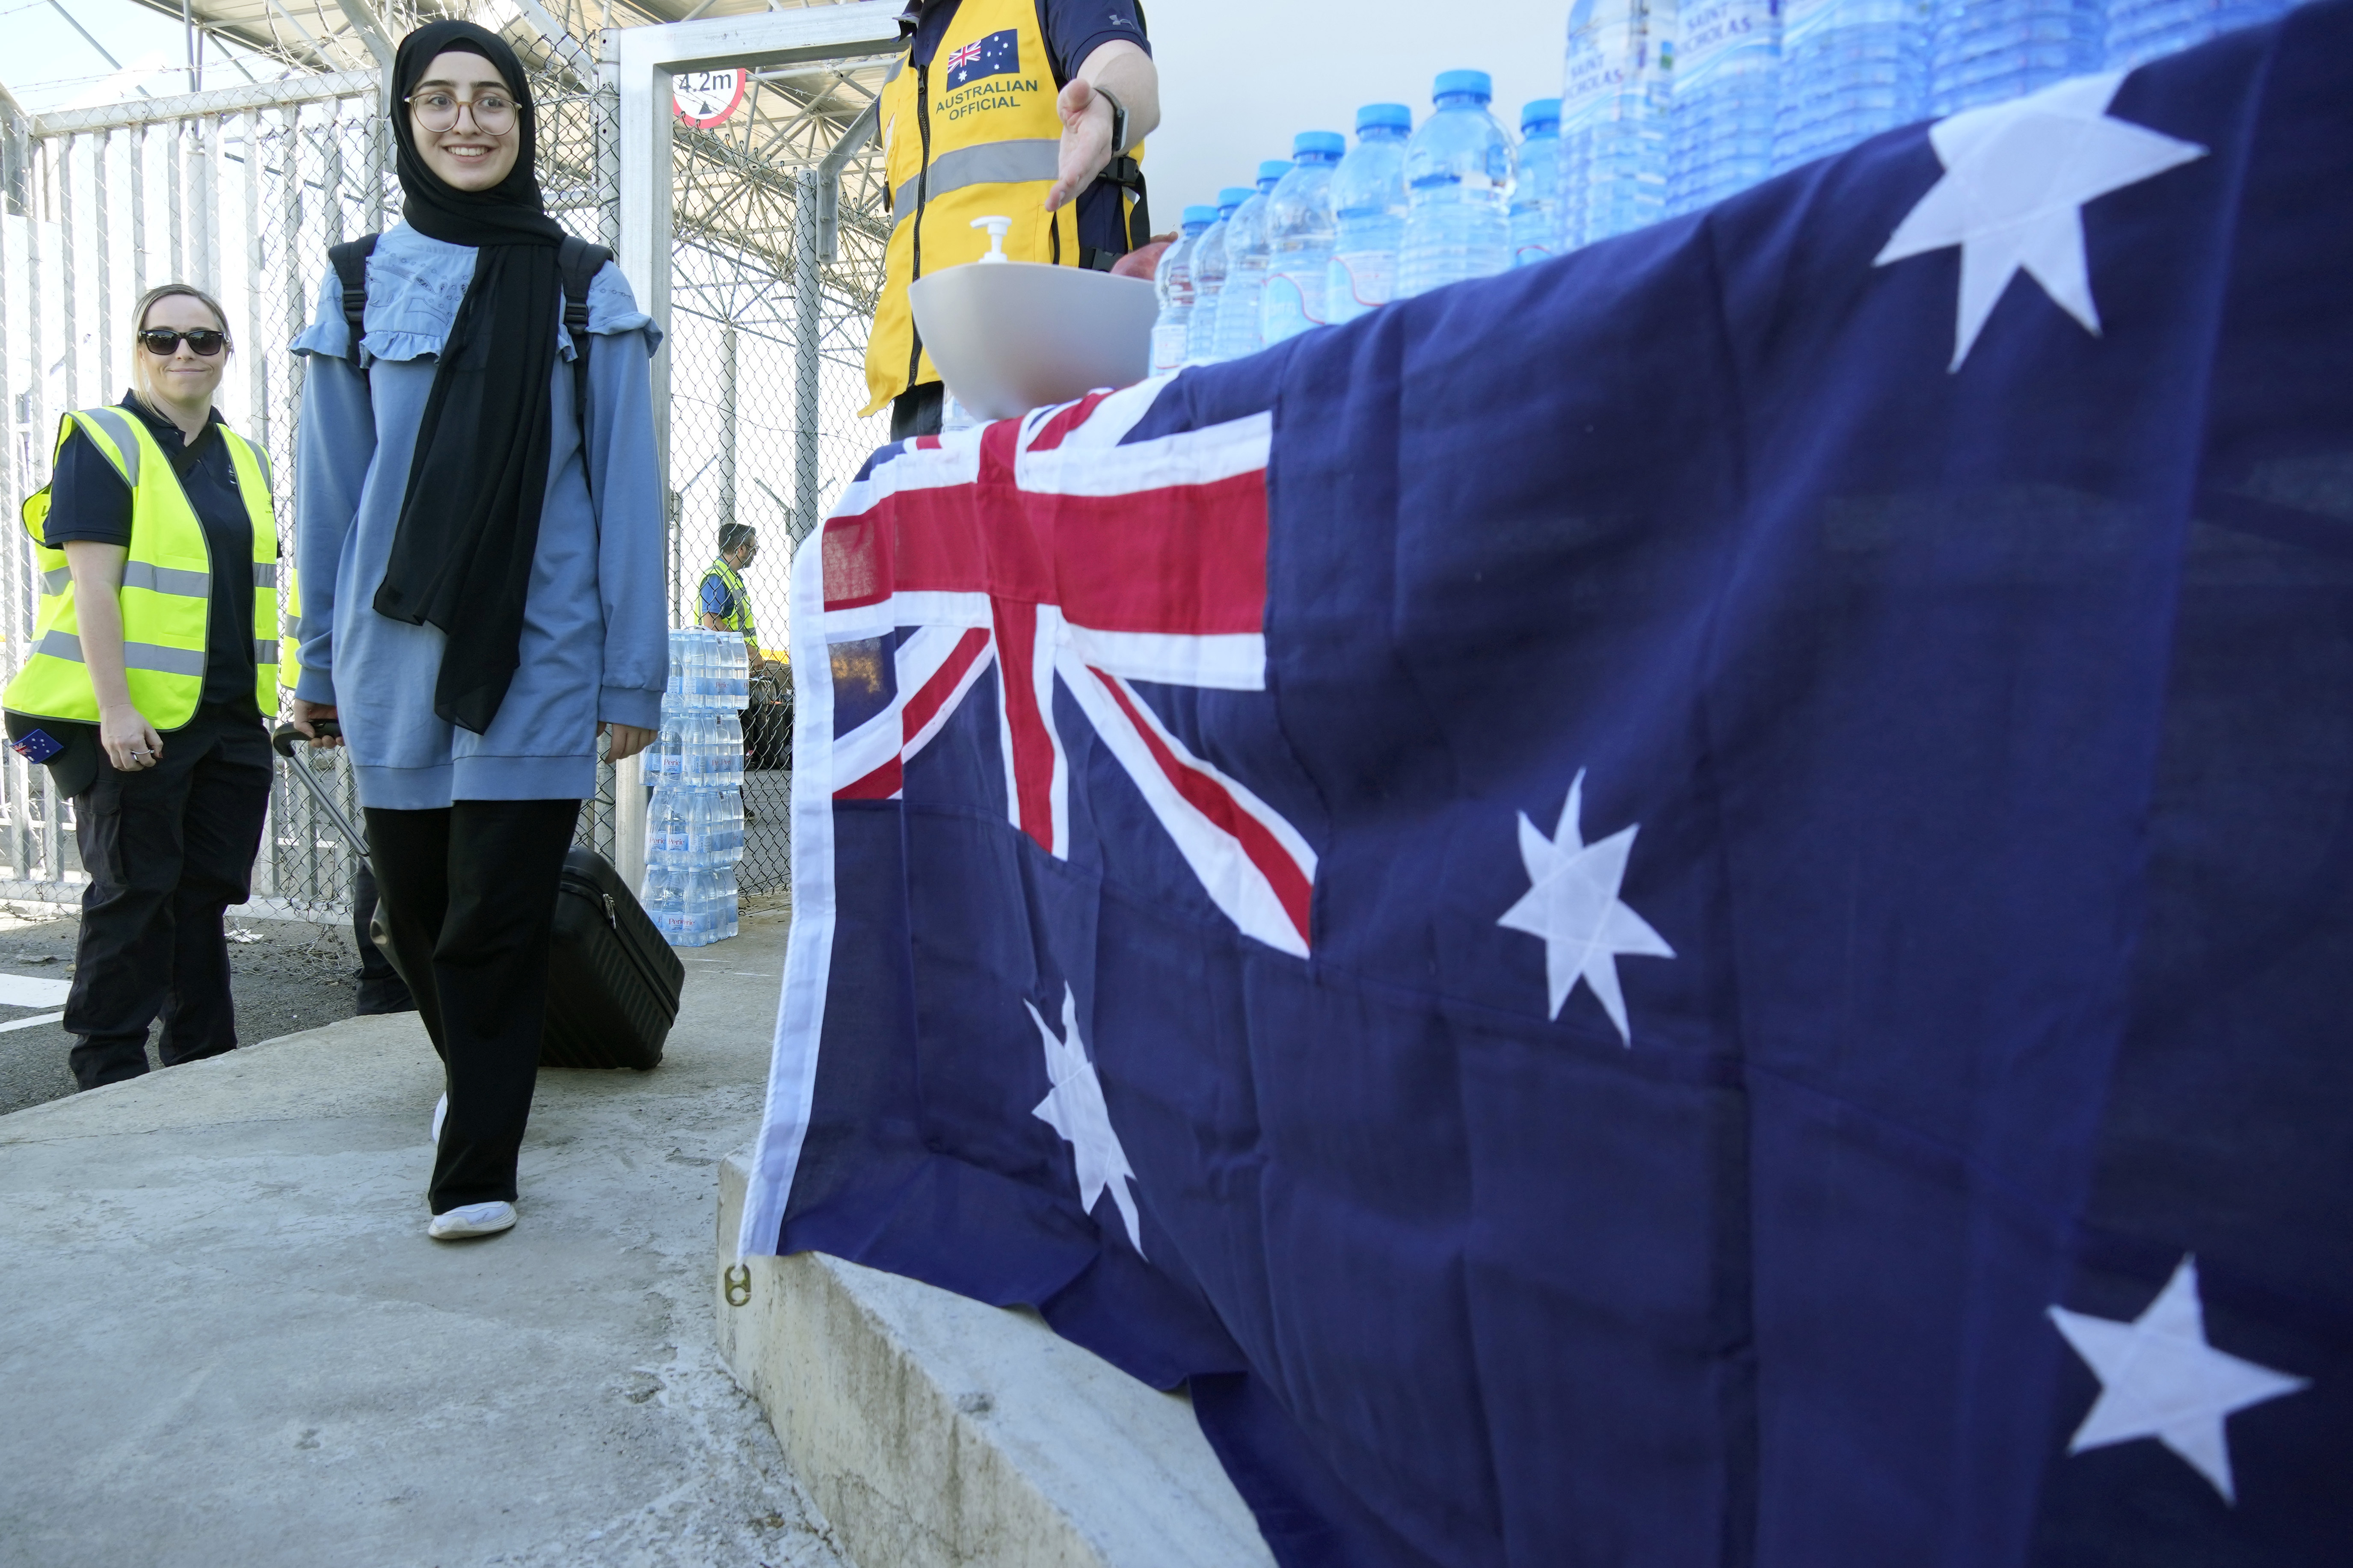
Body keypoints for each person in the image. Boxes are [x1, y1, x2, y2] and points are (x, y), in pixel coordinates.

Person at [287, 20, 665, 1242]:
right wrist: (313, 664)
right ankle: (478, 1086)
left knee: (498, 915)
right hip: (390, 655)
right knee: (417, 918)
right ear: (405, 121)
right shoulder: (355, 283)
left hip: (537, 655)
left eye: (492, 99)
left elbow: (622, 497)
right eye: (438, 100)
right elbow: (332, 498)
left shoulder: (580, 282)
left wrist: (629, 678)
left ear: (524, 121)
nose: (467, 121)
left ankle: (478, 1165)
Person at [0, 284, 279, 1091]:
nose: (183, 353)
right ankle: (109, 1066)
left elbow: (248, 591)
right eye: (163, 340)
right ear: (139, 351)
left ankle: (202, 1059)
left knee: (201, 897)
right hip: (134, 720)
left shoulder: (245, 460)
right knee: (134, 891)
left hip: (228, 717)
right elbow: (93, 589)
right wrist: (116, 710)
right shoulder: (105, 440)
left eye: (203, 339)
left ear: (227, 353)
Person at [868, 0, 1163, 439]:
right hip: (923, 392)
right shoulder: (900, 79)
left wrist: (1106, 107)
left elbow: (1124, 65)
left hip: (1046, 370)